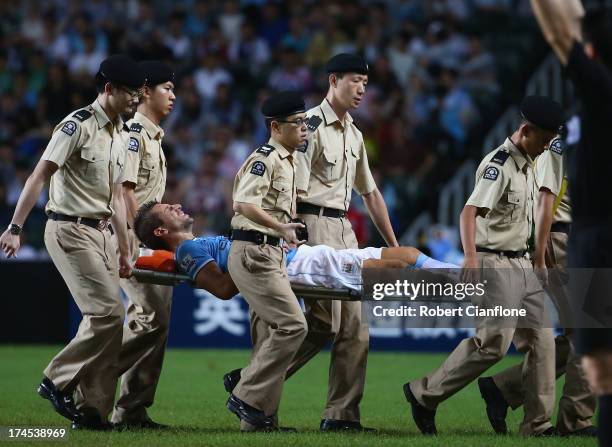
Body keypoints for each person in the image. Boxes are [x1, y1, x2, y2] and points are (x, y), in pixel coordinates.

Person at [403, 96, 563, 437]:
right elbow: (468, 212)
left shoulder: (533, 162)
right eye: (544, 140)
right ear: (525, 130)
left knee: (544, 342)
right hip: (495, 262)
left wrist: (537, 260)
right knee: (492, 344)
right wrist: (471, 257)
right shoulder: (500, 164)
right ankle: (423, 394)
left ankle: (537, 424)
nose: (547, 147)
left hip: (523, 263)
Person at [0, 55, 144, 430]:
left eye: (139, 92)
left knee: (110, 325)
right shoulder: (75, 125)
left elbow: (115, 198)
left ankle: (92, 412)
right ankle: (55, 379)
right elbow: (39, 175)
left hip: (105, 233)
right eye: (130, 91)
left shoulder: (124, 132)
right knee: (107, 313)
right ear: (109, 89)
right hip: (68, 229)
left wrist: (126, 249)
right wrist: (15, 226)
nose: (136, 99)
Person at [290, 53, 399, 432]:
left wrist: (394, 244)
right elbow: (293, 186)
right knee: (322, 324)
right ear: (334, 79)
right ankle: (253, 383)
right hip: (311, 225)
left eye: (366, 84)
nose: (362, 90)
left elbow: (370, 193)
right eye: (356, 81)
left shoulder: (354, 133)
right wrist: (290, 235)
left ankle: (341, 416)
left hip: (344, 231)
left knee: (354, 327)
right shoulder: (310, 125)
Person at [530, 1, 612, 445]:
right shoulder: (590, 95)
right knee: (593, 354)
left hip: (599, 236)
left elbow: (561, 37)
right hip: (588, 238)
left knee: (595, 355)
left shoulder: (601, 89)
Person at [477, 134, 597, 437]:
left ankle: (505, 388)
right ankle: (575, 421)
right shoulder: (567, 140)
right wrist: (540, 249)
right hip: (563, 239)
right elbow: (546, 196)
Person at [131, 201, 458, 297]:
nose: (176, 205)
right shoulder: (188, 253)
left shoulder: (201, 243)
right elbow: (222, 288)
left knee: (408, 254)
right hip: (299, 268)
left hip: (301, 254)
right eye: (167, 210)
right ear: (161, 231)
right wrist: (258, 258)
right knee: (396, 271)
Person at [224, 91, 309, 432]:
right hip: (253, 251)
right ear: (275, 127)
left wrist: (282, 235)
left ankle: (258, 420)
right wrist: (279, 227)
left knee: (268, 335)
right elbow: (244, 204)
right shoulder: (266, 158)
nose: (304, 128)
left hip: (269, 250)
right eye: (297, 123)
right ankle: (244, 391)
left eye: (306, 122)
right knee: (294, 325)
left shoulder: (290, 160)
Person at [112, 61, 175, 429]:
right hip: (134, 239)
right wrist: (137, 240)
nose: (173, 95)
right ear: (146, 92)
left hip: (152, 240)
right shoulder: (135, 133)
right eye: (167, 88)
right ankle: (84, 384)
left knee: (156, 322)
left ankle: (131, 409)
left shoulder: (154, 137)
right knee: (152, 317)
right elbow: (125, 192)